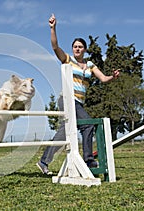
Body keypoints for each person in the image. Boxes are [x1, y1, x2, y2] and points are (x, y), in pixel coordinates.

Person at [37, 14, 120, 174]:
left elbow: (103, 78)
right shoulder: (67, 59)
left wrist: (113, 77)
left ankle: (43, 161)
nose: (77, 49)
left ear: (84, 49)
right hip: (67, 99)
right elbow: (55, 47)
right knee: (87, 124)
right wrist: (53, 28)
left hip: (79, 102)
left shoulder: (90, 65)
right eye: (75, 46)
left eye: (80, 47)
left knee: (64, 132)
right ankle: (88, 160)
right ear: (72, 49)